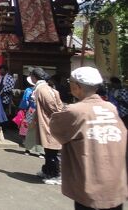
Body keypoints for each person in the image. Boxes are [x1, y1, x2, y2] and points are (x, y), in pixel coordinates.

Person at [50, 67, 128, 210]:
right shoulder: (110, 108)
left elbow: (56, 130)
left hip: (90, 185)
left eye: (70, 82)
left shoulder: (75, 111)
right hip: (116, 184)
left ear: (76, 86)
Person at [31, 67, 64, 185]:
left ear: (34, 77)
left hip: (49, 122)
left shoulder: (42, 89)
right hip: (49, 121)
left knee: (52, 150)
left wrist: (57, 114)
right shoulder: (46, 88)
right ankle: (48, 170)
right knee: (49, 150)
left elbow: (53, 106)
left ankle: (55, 174)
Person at [17, 76, 44, 158]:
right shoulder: (43, 89)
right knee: (40, 131)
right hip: (41, 111)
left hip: (31, 111)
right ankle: (40, 152)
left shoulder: (28, 90)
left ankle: (28, 149)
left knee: (29, 131)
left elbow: (25, 101)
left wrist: (23, 108)